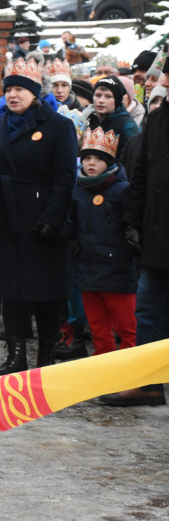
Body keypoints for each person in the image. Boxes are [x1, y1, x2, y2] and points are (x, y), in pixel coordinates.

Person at [0, 58, 78, 376]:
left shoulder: (59, 126)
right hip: (7, 218)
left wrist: (52, 217)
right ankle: (16, 356)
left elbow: (65, 178)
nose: (13, 95)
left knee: (45, 293)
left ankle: (45, 357)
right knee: (12, 292)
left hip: (42, 221)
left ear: (34, 93)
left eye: (20, 89)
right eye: (9, 90)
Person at [107, 57, 169, 406]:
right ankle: (149, 384)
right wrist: (132, 222)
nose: (166, 81)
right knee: (147, 310)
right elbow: (140, 177)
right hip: (158, 234)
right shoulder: (157, 120)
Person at [71, 128, 136, 357]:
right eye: (87, 157)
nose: (91, 163)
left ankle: (130, 372)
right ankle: (104, 369)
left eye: (98, 158)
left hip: (117, 270)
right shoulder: (77, 190)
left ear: (108, 162)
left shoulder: (122, 189)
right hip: (86, 267)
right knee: (98, 327)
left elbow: (132, 226)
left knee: (127, 328)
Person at [83, 76, 139, 162]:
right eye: (98, 95)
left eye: (108, 96)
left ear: (117, 100)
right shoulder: (90, 120)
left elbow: (133, 159)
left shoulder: (128, 125)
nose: (101, 100)